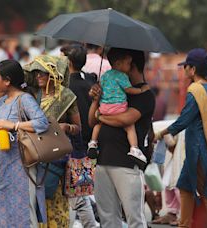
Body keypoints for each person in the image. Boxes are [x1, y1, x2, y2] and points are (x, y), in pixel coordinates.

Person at [155, 48, 207, 227]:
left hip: (199, 151)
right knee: (186, 187)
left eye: (185, 67)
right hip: (204, 149)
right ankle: (185, 223)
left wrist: (160, 133)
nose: (183, 70)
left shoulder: (195, 90)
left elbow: (183, 121)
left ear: (193, 69)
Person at [0, 59, 49, 227]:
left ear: (7, 81)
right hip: (3, 168)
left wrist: (14, 125)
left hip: (20, 165)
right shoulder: (4, 101)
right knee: (5, 210)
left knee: (23, 210)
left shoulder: (24, 99)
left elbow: (42, 122)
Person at [89, 49, 155, 228]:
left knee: (134, 217)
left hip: (127, 164)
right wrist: (96, 99)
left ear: (130, 65)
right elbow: (90, 121)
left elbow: (125, 119)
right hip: (103, 161)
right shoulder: (110, 87)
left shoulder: (144, 94)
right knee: (107, 217)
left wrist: (101, 116)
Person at [24, 55, 81, 227]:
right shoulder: (33, 94)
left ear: (54, 74)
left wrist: (67, 127)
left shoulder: (66, 96)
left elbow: (78, 128)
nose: (38, 76)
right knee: (36, 200)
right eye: (36, 73)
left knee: (54, 198)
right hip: (35, 154)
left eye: (43, 72)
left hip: (55, 156)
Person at [88, 48, 149, 165]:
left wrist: (99, 116)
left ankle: (92, 142)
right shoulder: (122, 76)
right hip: (118, 108)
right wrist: (141, 90)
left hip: (104, 108)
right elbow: (129, 90)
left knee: (98, 126)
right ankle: (134, 148)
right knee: (130, 127)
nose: (129, 67)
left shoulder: (105, 75)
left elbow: (100, 88)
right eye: (128, 63)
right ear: (118, 64)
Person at [65, 44, 98, 228]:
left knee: (77, 196)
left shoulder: (66, 87)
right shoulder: (91, 83)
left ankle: (89, 225)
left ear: (68, 62)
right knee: (81, 191)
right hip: (88, 143)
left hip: (71, 143)